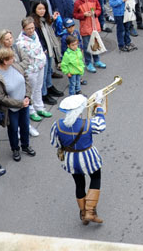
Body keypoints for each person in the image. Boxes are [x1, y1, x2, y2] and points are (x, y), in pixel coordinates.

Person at [51, 94, 107, 225]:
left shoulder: (57, 125)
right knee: (96, 178)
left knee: (79, 184)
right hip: (89, 157)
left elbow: (55, 143)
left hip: (71, 160)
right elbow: (101, 125)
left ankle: (83, 213)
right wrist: (98, 107)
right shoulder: (87, 123)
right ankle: (90, 212)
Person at [0, 48, 36, 162]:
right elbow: (1, 98)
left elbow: (25, 78)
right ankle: (15, 148)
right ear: (5, 61)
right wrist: (19, 103)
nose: (14, 59)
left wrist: (27, 96)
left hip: (23, 103)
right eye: (11, 58)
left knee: (25, 126)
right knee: (13, 129)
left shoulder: (14, 66)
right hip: (11, 108)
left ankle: (25, 146)